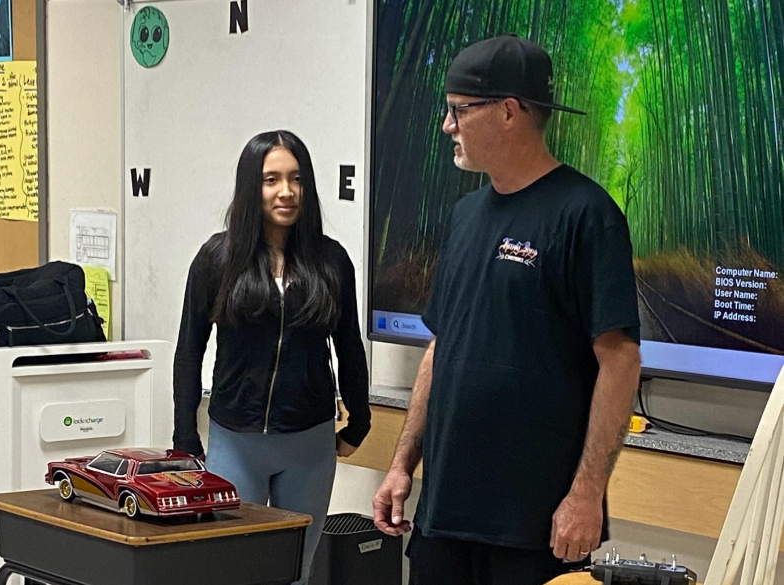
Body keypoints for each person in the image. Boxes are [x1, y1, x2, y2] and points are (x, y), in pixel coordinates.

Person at [372, 34, 642, 585]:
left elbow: (620, 361)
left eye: (458, 110)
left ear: (509, 112)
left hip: (535, 526)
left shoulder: (588, 215)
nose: (448, 125)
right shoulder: (465, 214)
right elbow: (440, 346)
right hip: (445, 515)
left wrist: (587, 494)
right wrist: (402, 465)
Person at [174, 130, 371, 585]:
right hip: (236, 440)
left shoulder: (331, 260)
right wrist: (185, 432)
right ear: (251, 187)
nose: (286, 191)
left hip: (309, 444)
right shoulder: (217, 259)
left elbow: (349, 346)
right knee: (232, 572)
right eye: (271, 180)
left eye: (296, 179)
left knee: (295, 573)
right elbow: (189, 350)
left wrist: (359, 419)